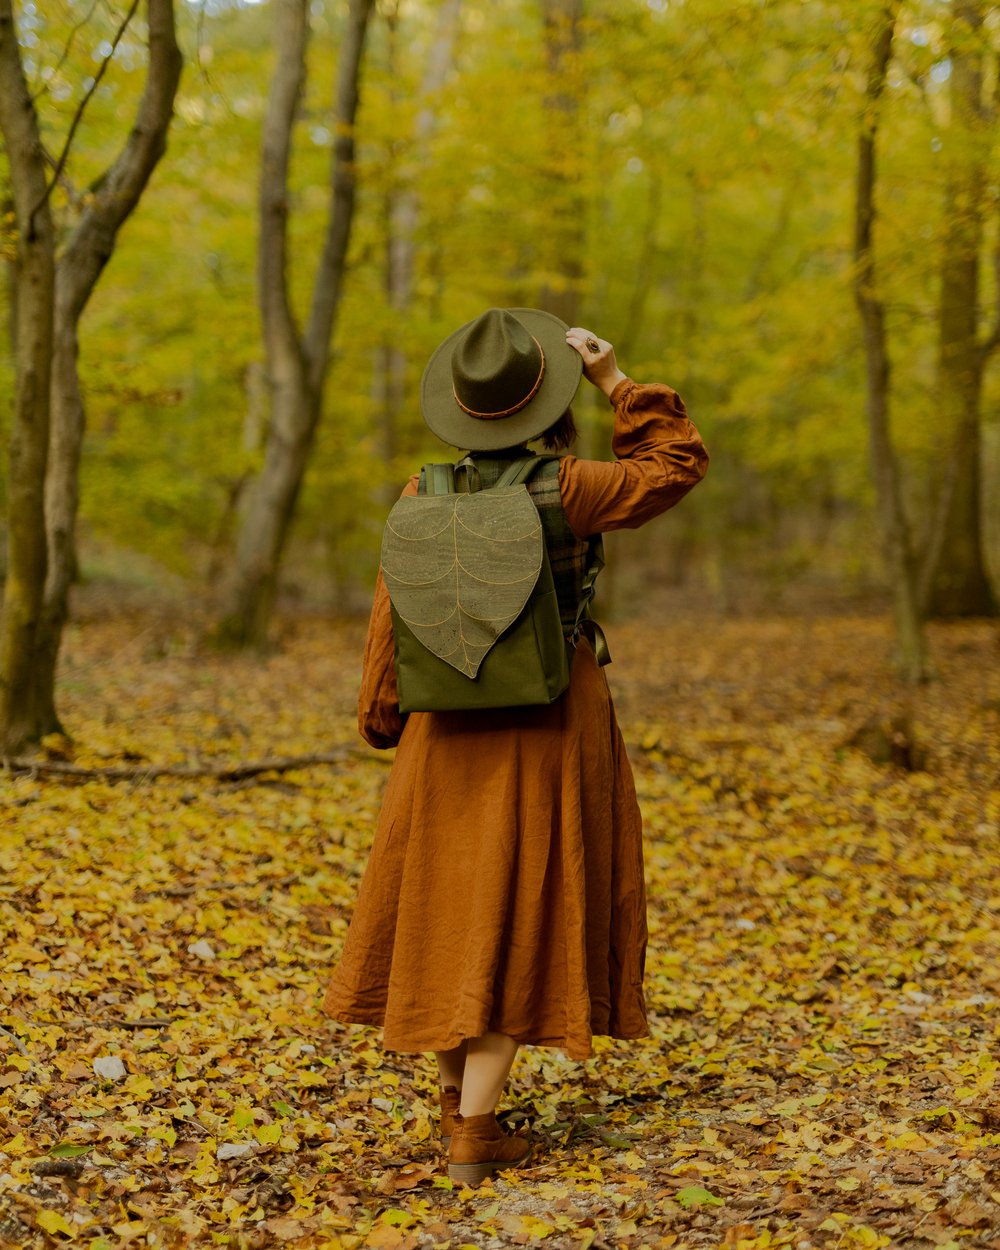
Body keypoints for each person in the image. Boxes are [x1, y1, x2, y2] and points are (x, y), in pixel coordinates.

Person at [322, 307, 709, 1185]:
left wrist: (383, 715)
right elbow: (675, 465)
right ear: (548, 410)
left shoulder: (421, 493)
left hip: (444, 733)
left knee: (448, 904)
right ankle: (476, 1132)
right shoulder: (570, 488)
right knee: (518, 900)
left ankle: (464, 1113)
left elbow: (389, 617)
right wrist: (621, 385)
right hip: (548, 723)